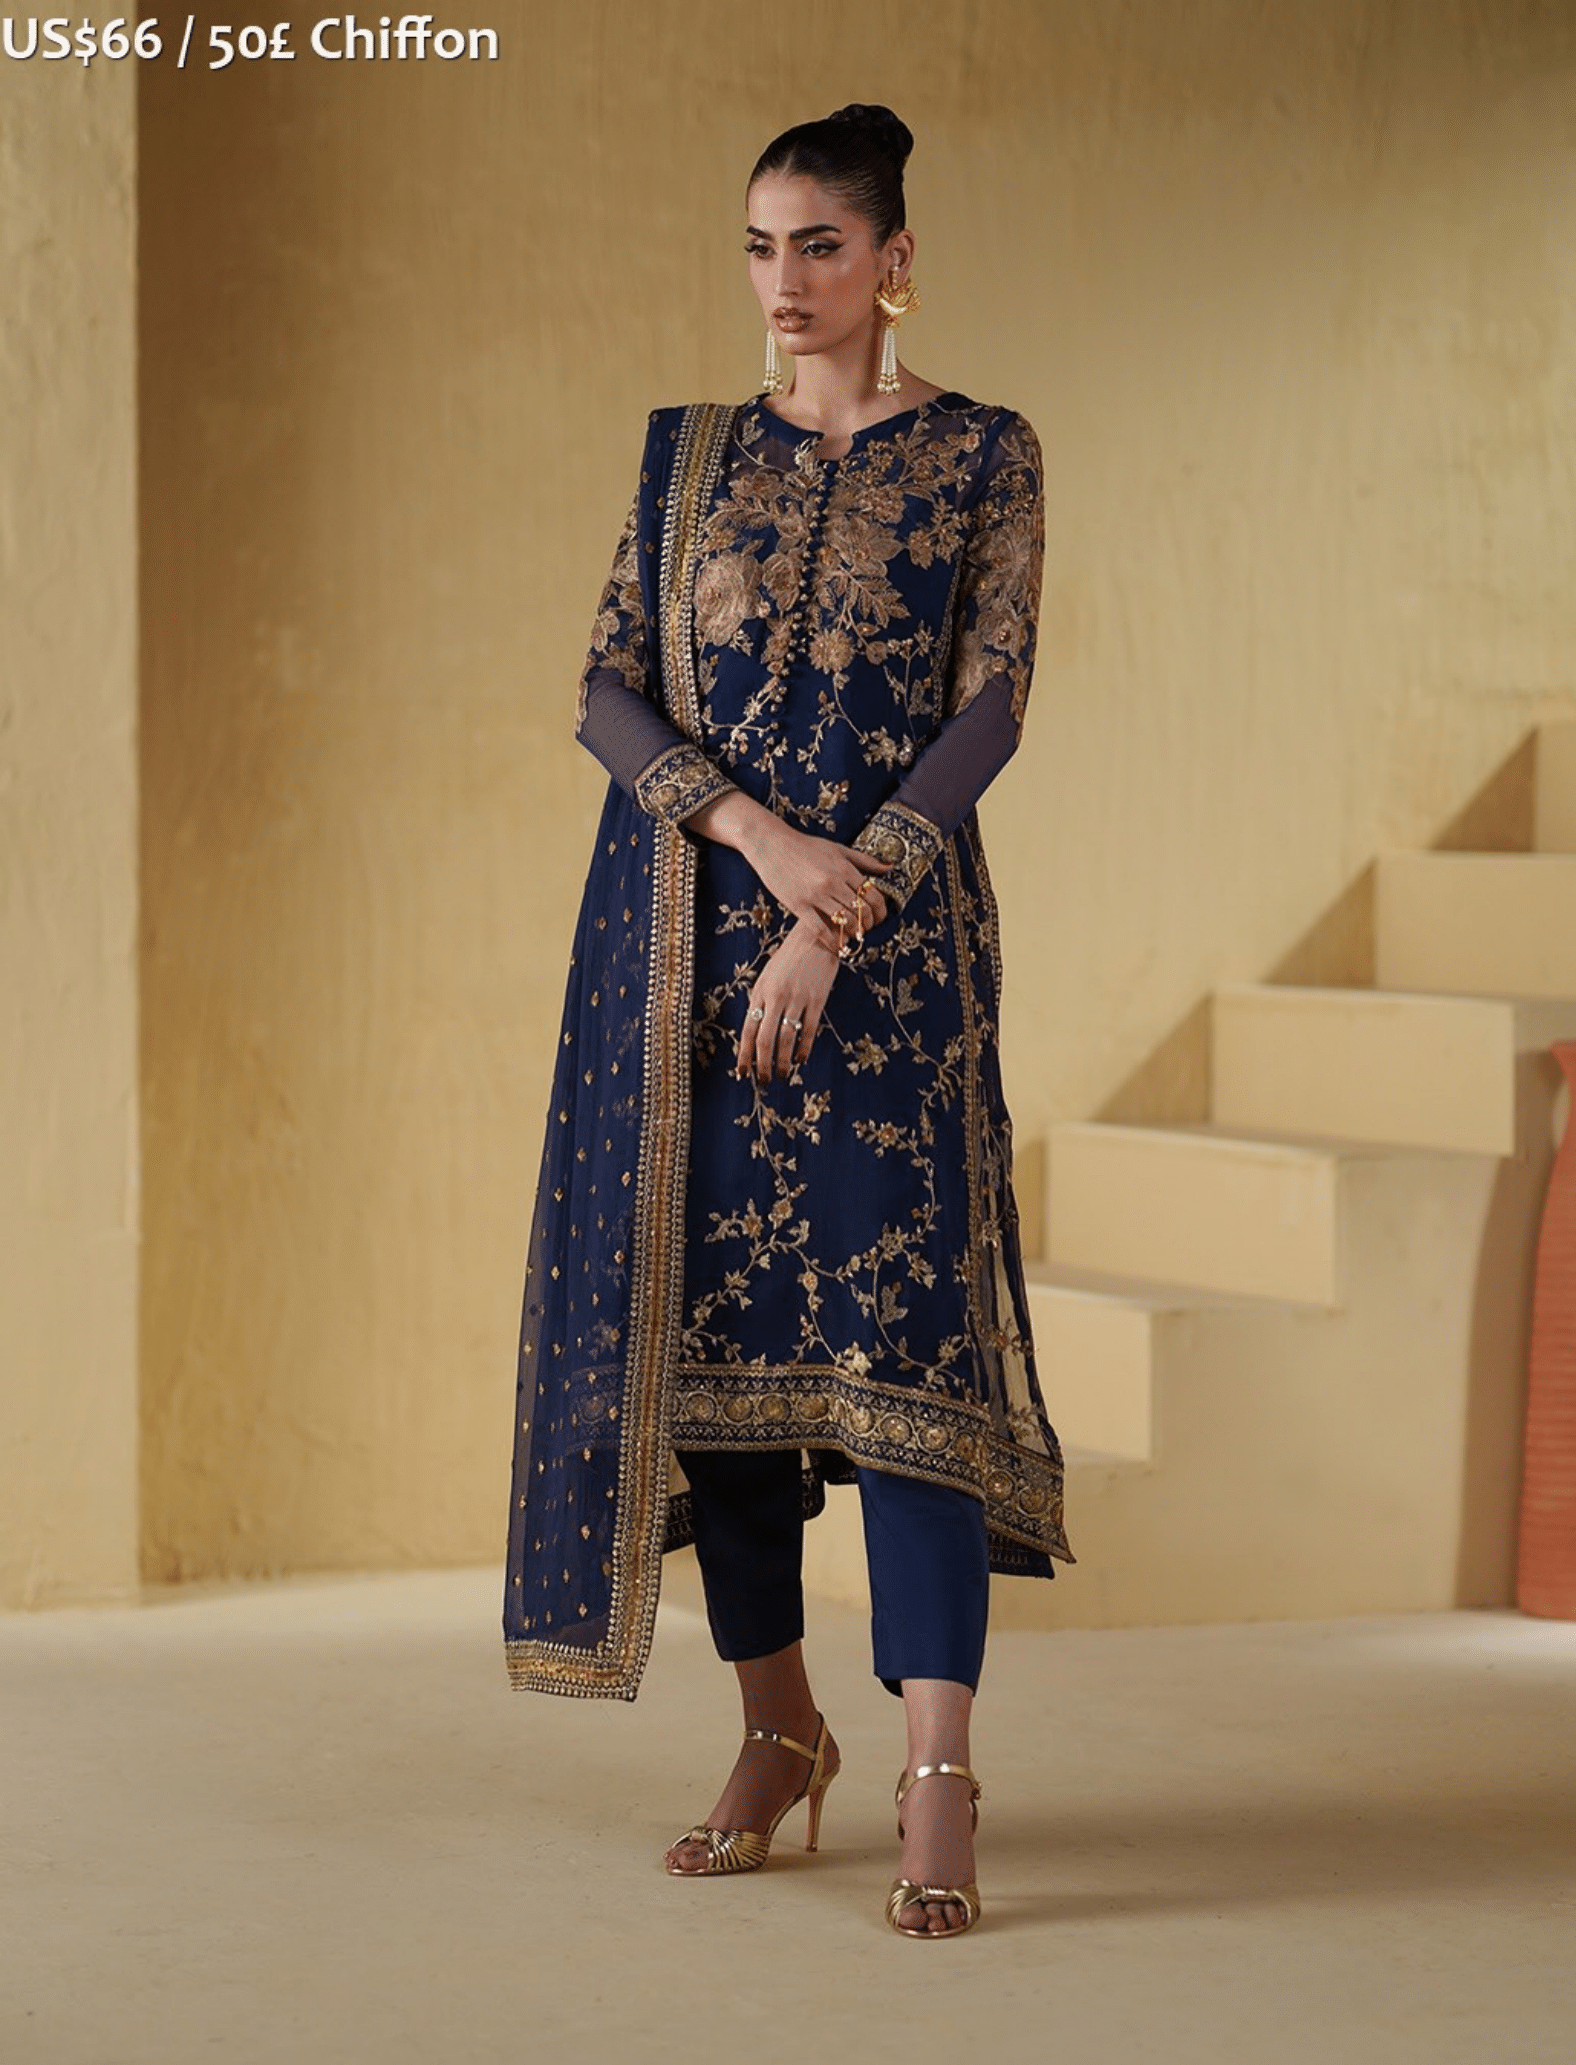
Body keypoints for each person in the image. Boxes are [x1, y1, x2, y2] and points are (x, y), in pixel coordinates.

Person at [503, 101, 1071, 1939]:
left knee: (906, 1368)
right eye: (760, 244)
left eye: (820, 243)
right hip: (683, 957)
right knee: (723, 1373)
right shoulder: (688, 457)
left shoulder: (982, 454)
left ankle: (935, 1774)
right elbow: (605, 688)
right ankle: (777, 1728)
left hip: (893, 974)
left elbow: (991, 701)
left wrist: (846, 901)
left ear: (895, 260)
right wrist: (760, 842)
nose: (784, 280)